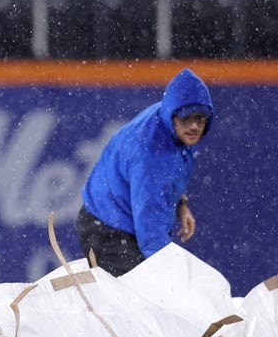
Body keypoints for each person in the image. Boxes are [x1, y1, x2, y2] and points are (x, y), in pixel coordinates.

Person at [75, 67, 215, 276]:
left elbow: (167, 181)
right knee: (145, 299)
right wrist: (174, 277)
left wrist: (181, 204)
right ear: (173, 114)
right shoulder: (153, 156)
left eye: (200, 118)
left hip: (113, 221)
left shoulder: (171, 124)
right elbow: (151, 235)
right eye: (187, 118)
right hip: (108, 230)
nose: (194, 126)